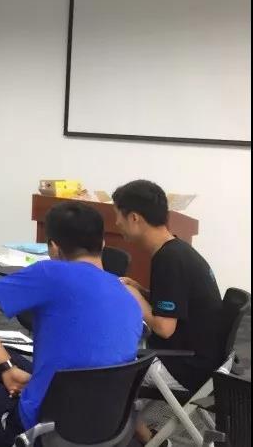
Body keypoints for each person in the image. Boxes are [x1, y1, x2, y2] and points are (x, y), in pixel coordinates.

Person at [0, 201, 142, 447]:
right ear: (103, 244)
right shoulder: (128, 295)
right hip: (106, 425)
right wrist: (7, 367)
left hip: (45, 429)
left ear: (53, 248)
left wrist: (6, 367)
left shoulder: (52, 273)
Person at [112, 179, 224, 443]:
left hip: (187, 366)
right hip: (205, 359)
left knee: (105, 369)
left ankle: (147, 439)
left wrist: (135, 298)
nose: (116, 223)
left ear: (135, 218)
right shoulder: (179, 250)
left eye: (118, 216)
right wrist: (142, 290)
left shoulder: (169, 259)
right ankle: (146, 435)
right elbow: (181, 303)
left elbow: (164, 328)